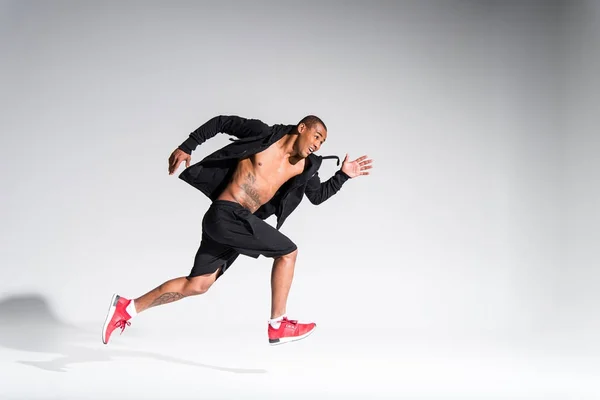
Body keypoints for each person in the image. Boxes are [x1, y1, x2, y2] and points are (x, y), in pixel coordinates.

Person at [101, 115, 372, 346]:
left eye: (322, 142)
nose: (317, 144)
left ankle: (128, 307)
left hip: (236, 224)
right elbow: (222, 122)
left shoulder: (306, 167)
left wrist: (343, 176)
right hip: (225, 213)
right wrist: (188, 145)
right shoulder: (263, 135)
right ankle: (278, 323)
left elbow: (318, 196)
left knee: (197, 285)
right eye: (316, 136)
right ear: (302, 128)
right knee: (288, 252)